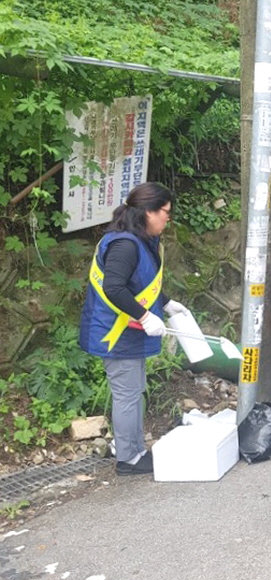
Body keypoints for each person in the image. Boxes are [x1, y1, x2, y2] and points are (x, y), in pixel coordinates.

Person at [79, 182, 188, 475]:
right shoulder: (125, 244)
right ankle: (128, 458)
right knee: (127, 394)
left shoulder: (140, 239)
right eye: (165, 212)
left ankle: (137, 450)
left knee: (134, 391)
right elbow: (114, 288)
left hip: (129, 330)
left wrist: (164, 304)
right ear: (148, 212)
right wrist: (145, 316)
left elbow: (138, 283)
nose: (168, 218)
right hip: (115, 333)